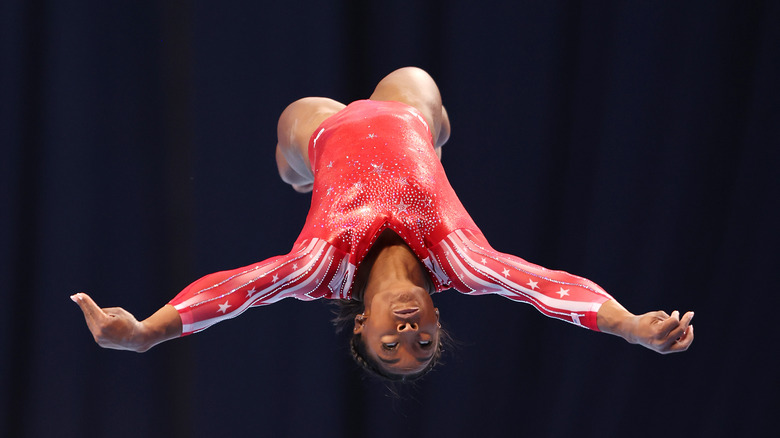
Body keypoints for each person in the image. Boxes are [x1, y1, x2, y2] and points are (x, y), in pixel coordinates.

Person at [72, 67, 694, 381]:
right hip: (406, 117)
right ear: (435, 317)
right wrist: (632, 326)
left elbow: (235, 291)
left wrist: (150, 331)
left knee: (294, 154)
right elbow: (547, 289)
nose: (405, 334)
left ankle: (297, 178)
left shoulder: (323, 269)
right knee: (420, 91)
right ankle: (438, 143)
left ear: (360, 326)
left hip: (323, 133)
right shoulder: (460, 262)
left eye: (388, 346)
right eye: (421, 344)